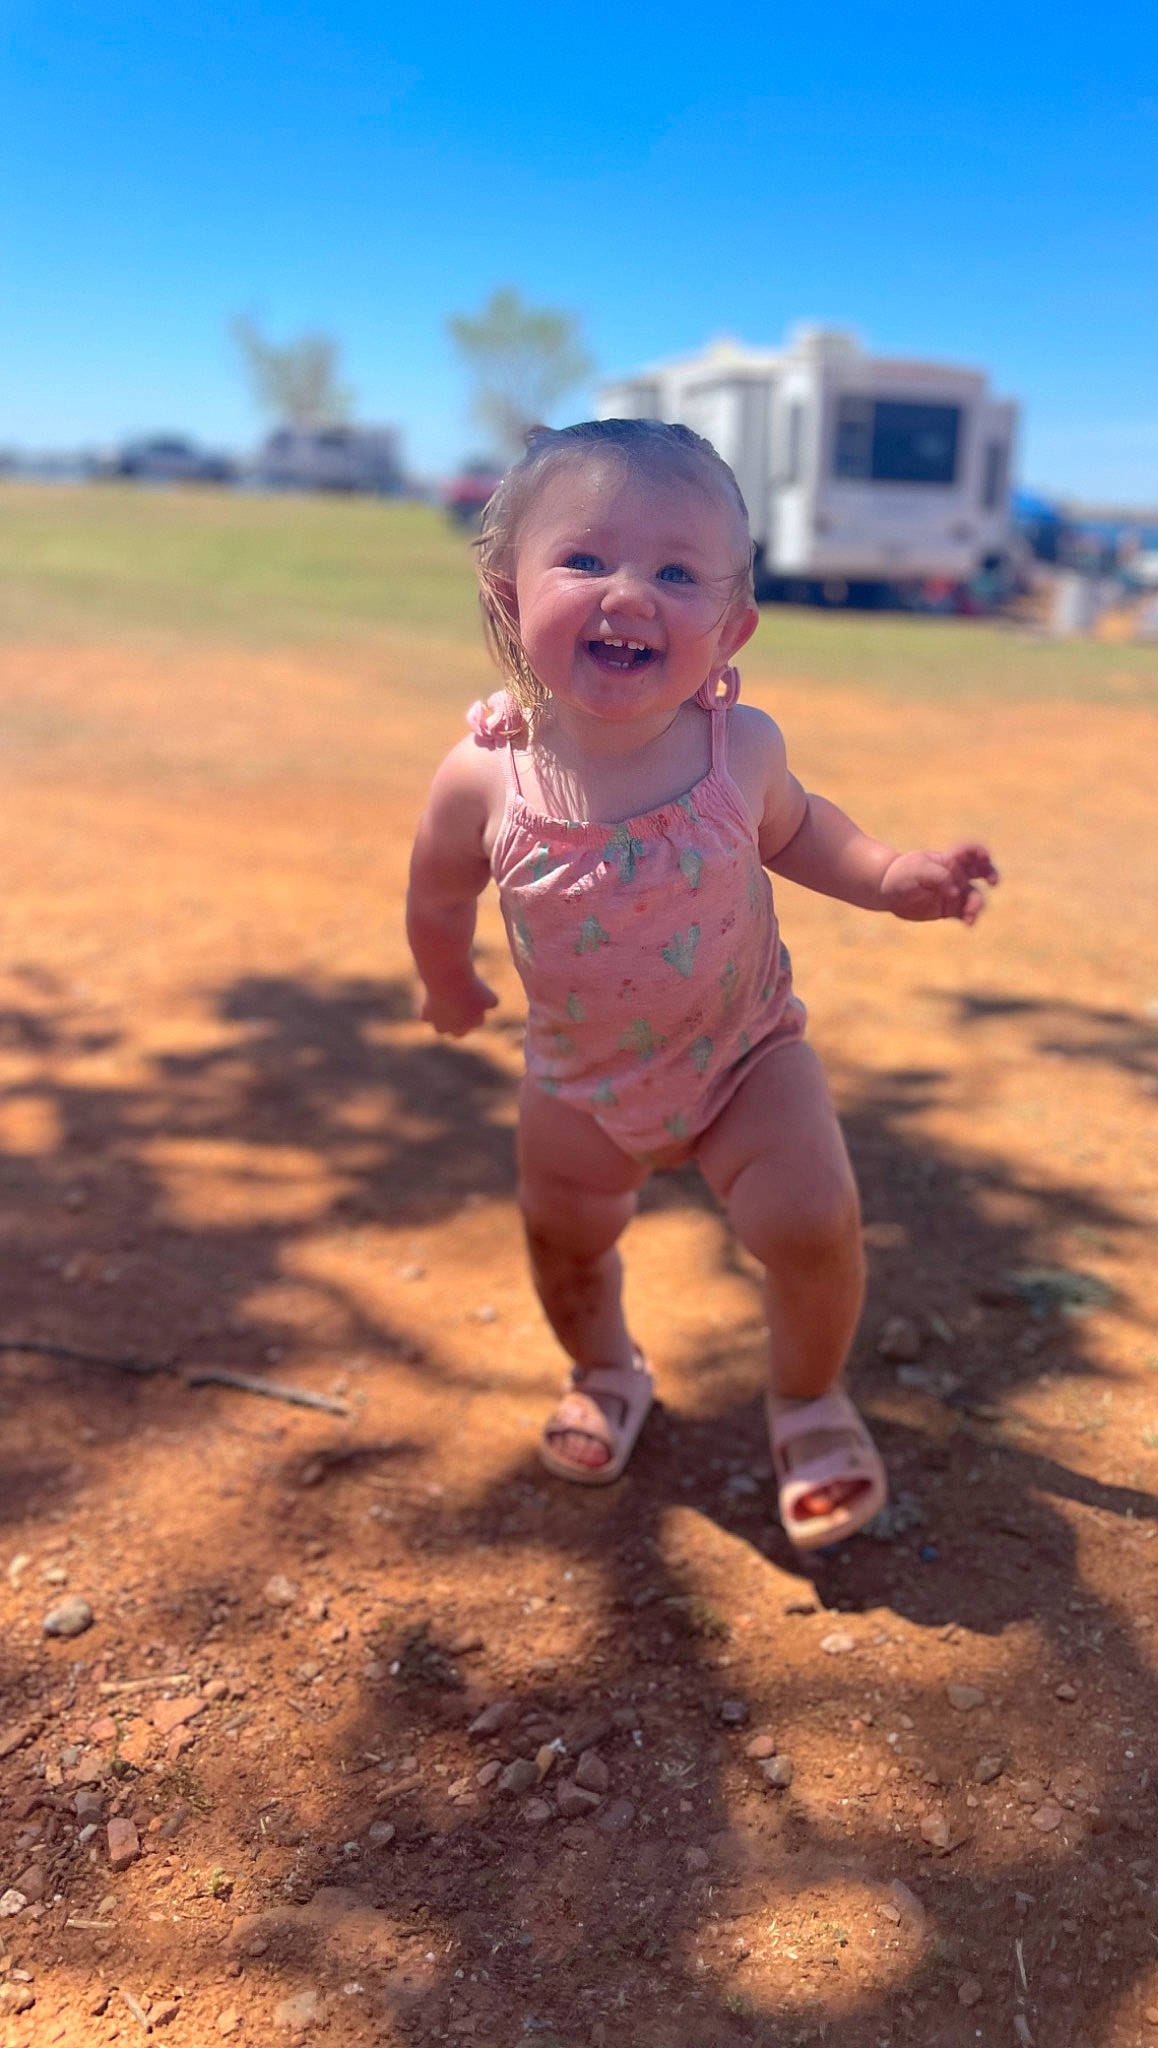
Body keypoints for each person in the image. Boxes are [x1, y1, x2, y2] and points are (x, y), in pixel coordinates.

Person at [406, 419, 997, 1550]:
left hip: (745, 1055)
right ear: (508, 593)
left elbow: (805, 832)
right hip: (579, 1077)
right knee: (563, 1235)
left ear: (732, 629)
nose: (630, 593)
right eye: (586, 559)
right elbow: (438, 892)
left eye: (678, 573)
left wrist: (891, 877)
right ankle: (604, 1370)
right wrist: (447, 980)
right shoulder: (484, 775)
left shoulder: (742, 751)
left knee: (812, 1223)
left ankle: (809, 1399)